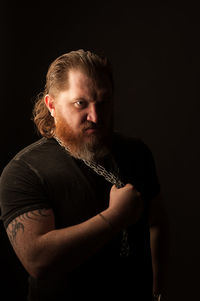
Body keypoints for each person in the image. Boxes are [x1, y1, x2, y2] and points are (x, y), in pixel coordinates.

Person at [0, 49, 169, 301]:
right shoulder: (24, 170)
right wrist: (115, 217)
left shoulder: (136, 153)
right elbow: (38, 260)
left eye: (103, 102)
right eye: (81, 103)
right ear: (52, 105)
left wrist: (157, 290)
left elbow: (157, 222)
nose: (96, 116)